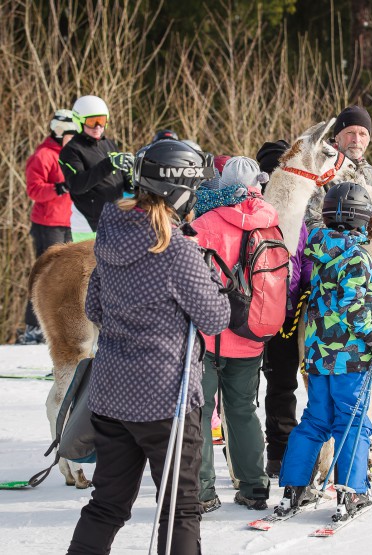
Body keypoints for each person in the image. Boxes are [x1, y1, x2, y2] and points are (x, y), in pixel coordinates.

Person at [67, 140, 230, 555]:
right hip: (165, 401)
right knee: (179, 508)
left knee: (107, 505)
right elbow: (215, 318)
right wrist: (210, 276)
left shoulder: (110, 232)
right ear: (179, 190)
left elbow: (95, 306)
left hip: (111, 393)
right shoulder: (176, 249)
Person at [276, 182, 372, 517]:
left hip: (317, 356)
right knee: (352, 421)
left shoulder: (318, 248)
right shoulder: (356, 256)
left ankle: (294, 487)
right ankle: (351, 490)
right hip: (349, 358)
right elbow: (352, 307)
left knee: (315, 420)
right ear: (362, 217)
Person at [191, 156, 274, 512]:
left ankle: (202, 492)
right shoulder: (271, 224)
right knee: (243, 410)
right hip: (251, 334)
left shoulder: (204, 221)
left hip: (208, 337)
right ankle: (254, 487)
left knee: (200, 411)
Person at [255, 139, 313, 478]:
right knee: (246, 391)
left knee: (282, 383)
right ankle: (244, 455)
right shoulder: (251, 214)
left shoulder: (296, 217)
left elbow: (303, 256)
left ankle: (280, 452)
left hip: (286, 315)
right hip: (251, 314)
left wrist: (306, 290)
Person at [20, 109, 77, 345]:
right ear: (58, 131)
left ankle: (57, 326)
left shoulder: (72, 155)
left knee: (65, 278)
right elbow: (33, 189)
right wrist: (57, 188)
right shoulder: (43, 155)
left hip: (70, 221)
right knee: (45, 275)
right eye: (70, 133)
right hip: (47, 223)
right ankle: (33, 328)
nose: (74, 138)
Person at [58, 95, 133, 239]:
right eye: (92, 121)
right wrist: (109, 164)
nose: (98, 126)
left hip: (116, 221)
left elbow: (123, 184)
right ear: (79, 121)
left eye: (102, 120)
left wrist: (131, 180)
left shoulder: (109, 144)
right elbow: (77, 185)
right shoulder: (71, 150)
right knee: (92, 262)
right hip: (89, 226)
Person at [331, 105, 372, 187]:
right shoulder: (319, 166)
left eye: (362, 134)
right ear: (337, 137)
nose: (356, 140)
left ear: (368, 140)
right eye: (350, 133)